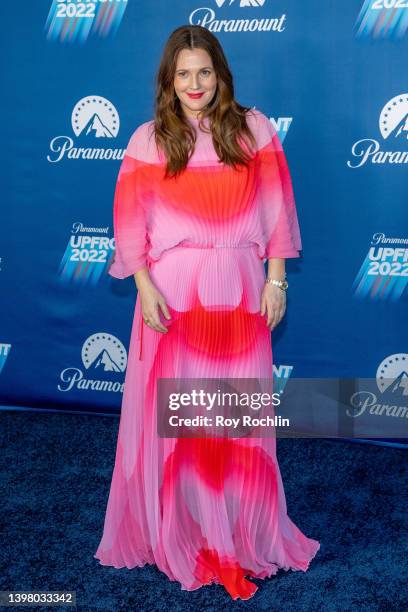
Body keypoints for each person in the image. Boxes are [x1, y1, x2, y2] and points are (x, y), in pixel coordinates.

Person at [94, 24, 320, 601]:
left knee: (233, 420)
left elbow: (276, 210)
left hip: (242, 295)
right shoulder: (149, 140)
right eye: (183, 74)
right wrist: (143, 287)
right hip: (173, 298)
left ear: (221, 74)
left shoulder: (254, 130)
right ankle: (179, 528)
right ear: (169, 82)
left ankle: (237, 531)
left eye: (205, 72)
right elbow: (130, 224)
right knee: (180, 422)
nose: (195, 84)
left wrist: (277, 282)